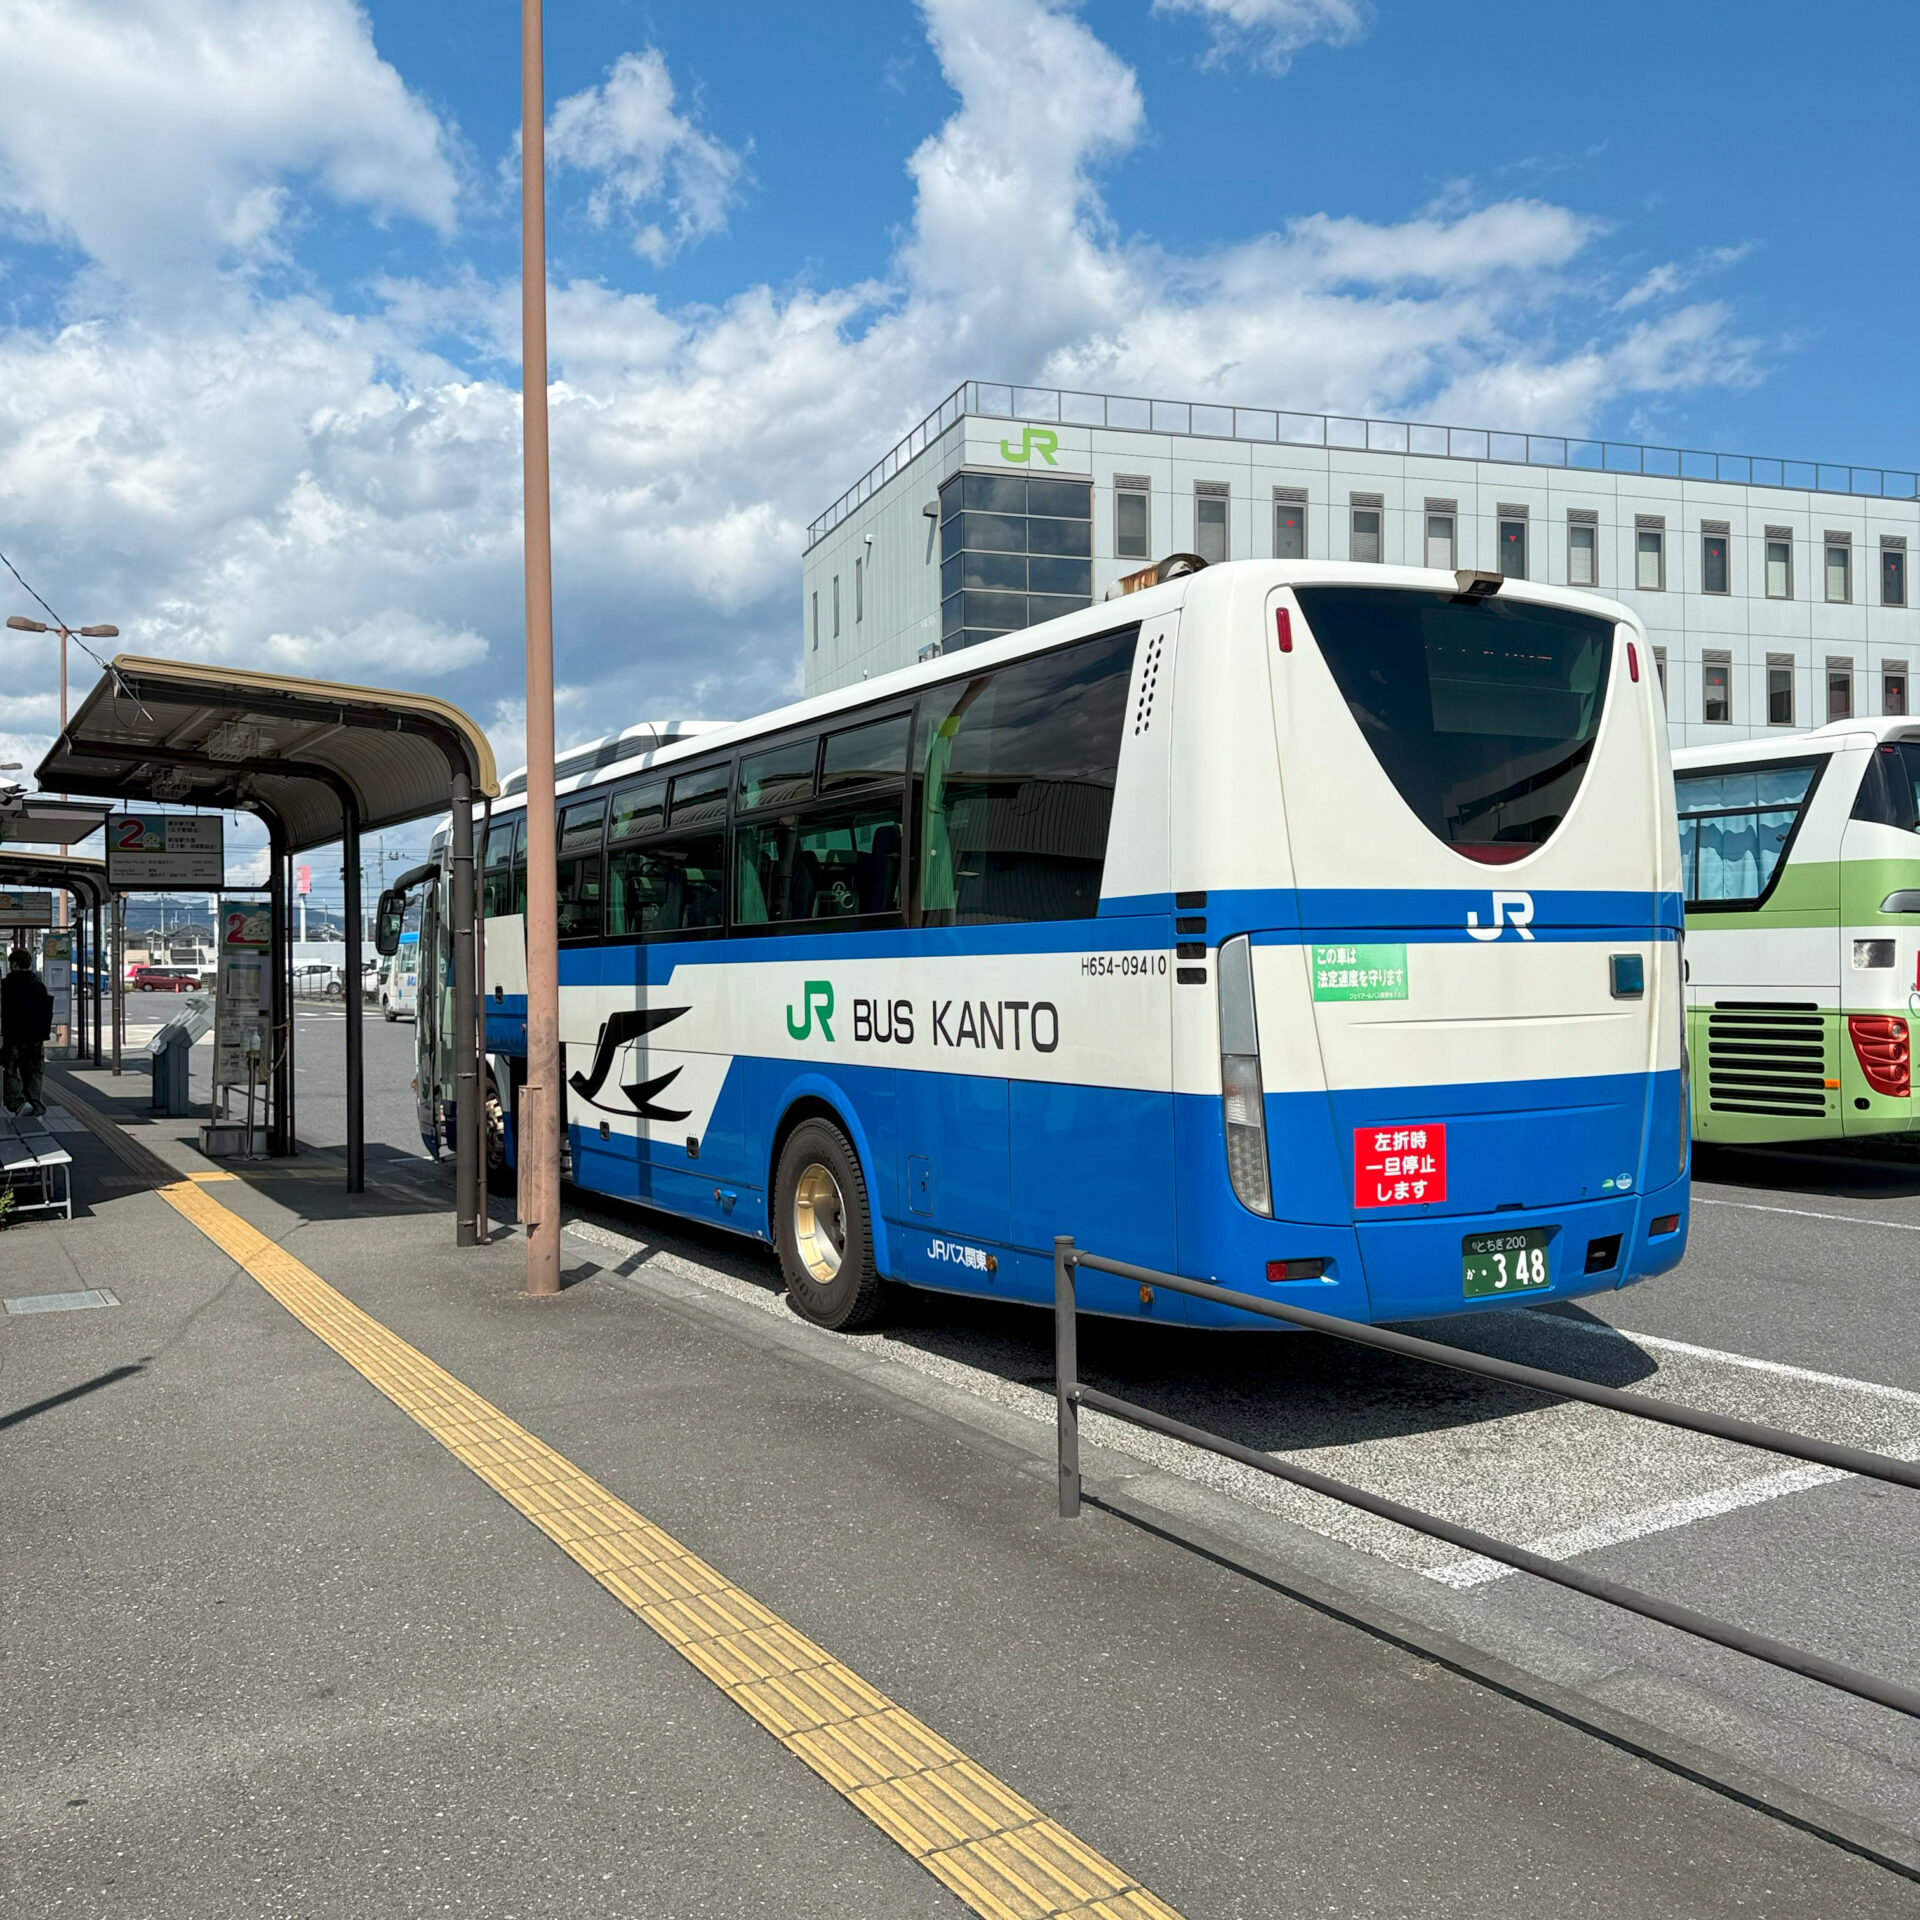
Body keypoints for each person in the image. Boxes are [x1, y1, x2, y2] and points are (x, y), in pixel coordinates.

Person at [2, 947, 53, 1117]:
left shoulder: (6, 986)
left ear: (14, 964)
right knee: (34, 1070)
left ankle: (17, 1102)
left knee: (11, 1069)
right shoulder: (39, 986)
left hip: (13, 1035)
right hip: (36, 1037)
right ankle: (34, 1101)